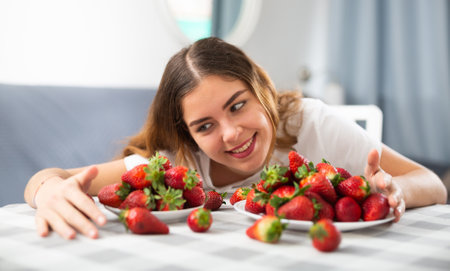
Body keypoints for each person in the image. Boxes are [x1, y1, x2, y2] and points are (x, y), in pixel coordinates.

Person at [24, 37, 447, 240]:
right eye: (204, 126)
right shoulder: (179, 164)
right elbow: (53, 176)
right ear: (187, 135)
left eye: (238, 105)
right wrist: (47, 191)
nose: (231, 133)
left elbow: (432, 183)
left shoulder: (311, 125)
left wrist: (394, 192)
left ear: (261, 89)